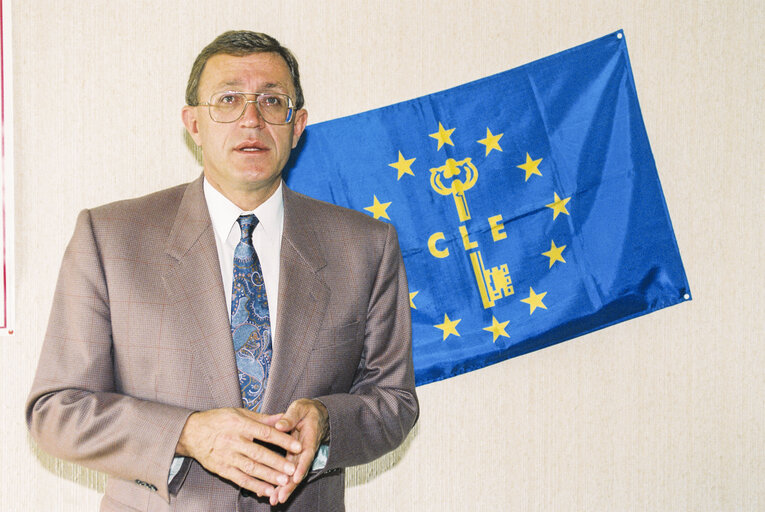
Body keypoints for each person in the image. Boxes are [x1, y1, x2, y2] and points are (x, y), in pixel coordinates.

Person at [26, 30, 418, 512]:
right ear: (193, 123)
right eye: (228, 100)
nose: (251, 120)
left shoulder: (366, 246)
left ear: (298, 126)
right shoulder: (109, 238)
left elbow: (393, 402)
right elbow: (57, 410)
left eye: (272, 101)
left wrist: (326, 422)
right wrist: (187, 434)